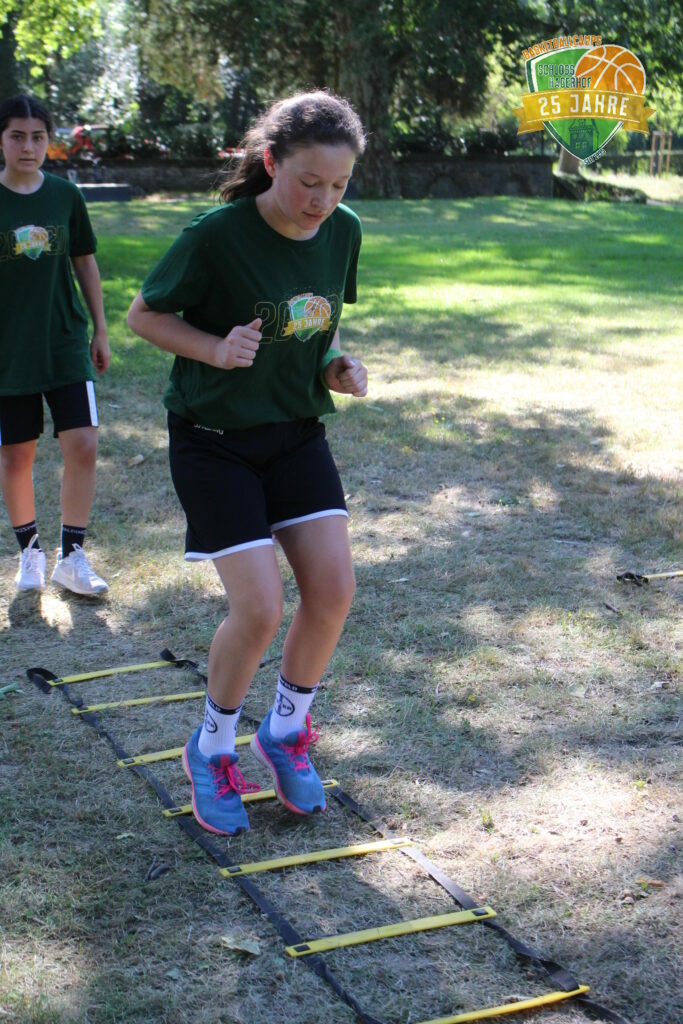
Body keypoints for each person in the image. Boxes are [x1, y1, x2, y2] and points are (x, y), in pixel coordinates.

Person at [127, 91, 367, 836]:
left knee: (332, 592)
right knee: (260, 608)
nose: (322, 201)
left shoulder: (343, 232)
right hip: (214, 440)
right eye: (308, 182)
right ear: (270, 162)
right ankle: (211, 748)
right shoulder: (215, 235)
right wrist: (212, 348)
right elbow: (143, 314)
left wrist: (334, 365)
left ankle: (285, 732)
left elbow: (318, 324)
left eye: (338, 185)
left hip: (295, 432)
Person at [0, 94, 110, 596]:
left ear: (49, 141)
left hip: (64, 340)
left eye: (38, 137)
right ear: (2, 140)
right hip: (9, 350)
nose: (28, 146)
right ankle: (29, 551)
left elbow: (85, 261)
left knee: (83, 444)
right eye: (17, 136)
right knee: (15, 455)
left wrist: (100, 329)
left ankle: (72, 557)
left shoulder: (66, 196)